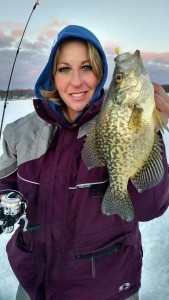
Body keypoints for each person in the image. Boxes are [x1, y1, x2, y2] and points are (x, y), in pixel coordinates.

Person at [0, 25, 169, 300]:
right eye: (65, 68)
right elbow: (5, 183)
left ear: (101, 73)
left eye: (87, 67)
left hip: (107, 288)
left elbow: (150, 208)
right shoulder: (20, 132)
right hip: (34, 285)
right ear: (51, 75)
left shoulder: (115, 122)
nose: (76, 82)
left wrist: (151, 129)